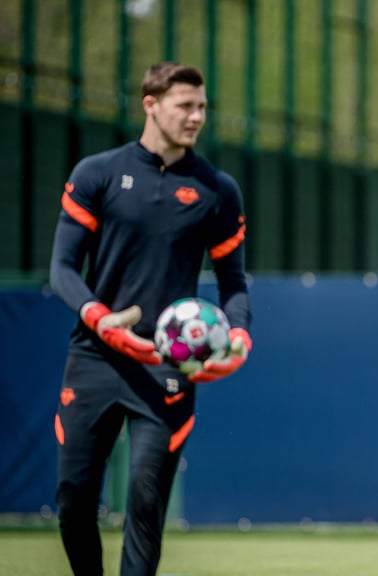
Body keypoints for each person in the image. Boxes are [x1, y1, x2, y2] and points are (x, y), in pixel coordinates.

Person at [48, 62, 252, 576]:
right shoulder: (96, 173)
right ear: (150, 104)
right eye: (185, 105)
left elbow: (234, 285)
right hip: (94, 356)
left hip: (166, 364)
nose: (196, 116)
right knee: (73, 502)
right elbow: (63, 268)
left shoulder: (216, 190)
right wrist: (100, 318)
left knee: (144, 500)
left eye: (202, 106)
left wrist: (239, 339)